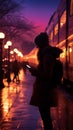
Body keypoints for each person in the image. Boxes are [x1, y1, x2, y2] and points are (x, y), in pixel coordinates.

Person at [28, 32, 63, 130]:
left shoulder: (46, 56)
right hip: (46, 89)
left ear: (41, 44)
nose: (37, 47)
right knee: (45, 116)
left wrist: (35, 72)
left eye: (37, 45)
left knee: (46, 117)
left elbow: (48, 75)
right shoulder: (47, 54)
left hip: (45, 90)